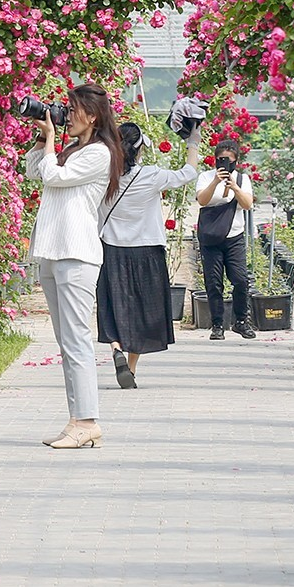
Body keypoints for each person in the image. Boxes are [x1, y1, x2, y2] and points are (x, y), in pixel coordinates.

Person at [22, 82, 124, 449]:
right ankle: (76, 419)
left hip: (77, 253)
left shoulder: (100, 153)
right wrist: (42, 139)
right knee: (66, 341)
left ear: (92, 116)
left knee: (78, 339)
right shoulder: (71, 149)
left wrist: (51, 139)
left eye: (71, 108)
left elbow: (54, 176)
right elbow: (35, 170)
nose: (66, 114)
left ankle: (88, 420)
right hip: (54, 251)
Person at [97, 120, 202, 388]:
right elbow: (189, 172)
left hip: (112, 250)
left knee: (113, 305)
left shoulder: (104, 175)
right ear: (140, 149)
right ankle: (130, 369)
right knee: (142, 312)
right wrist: (193, 140)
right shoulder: (152, 175)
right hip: (147, 251)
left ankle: (115, 348)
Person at [194, 137, 258, 340]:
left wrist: (234, 187)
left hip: (234, 237)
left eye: (229, 160)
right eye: (221, 159)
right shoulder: (206, 177)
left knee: (240, 280)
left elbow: (247, 204)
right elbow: (202, 201)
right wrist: (216, 181)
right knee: (213, 283)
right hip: (211, 239)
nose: (224, 164)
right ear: (215, 160)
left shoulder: (242, 179)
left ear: (236, 161)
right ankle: (217, 325)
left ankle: (240, 321)